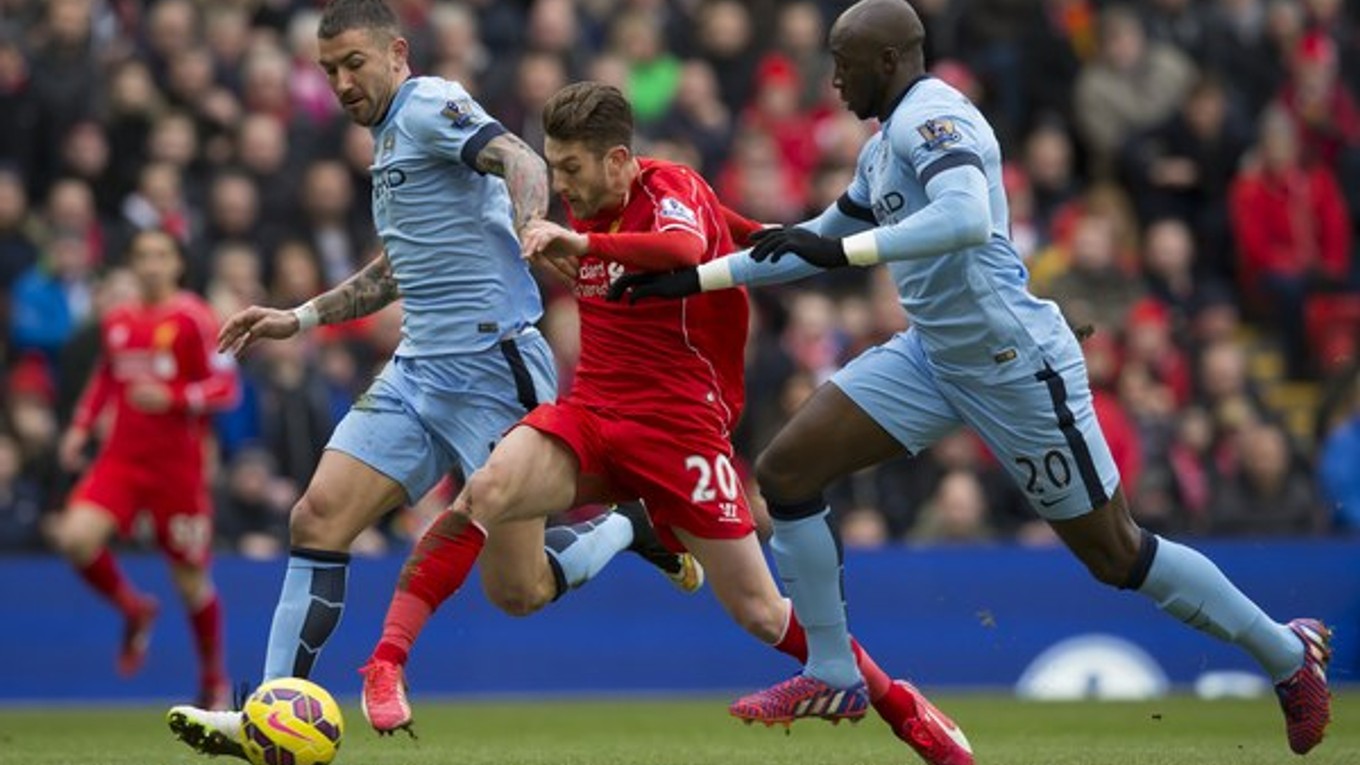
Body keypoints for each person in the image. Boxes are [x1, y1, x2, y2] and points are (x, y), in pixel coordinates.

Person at [610, 0, 1333, 756]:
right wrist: (692, 280)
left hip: (1013, 363)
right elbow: (813, 240)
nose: (832, 79)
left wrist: (848, 255)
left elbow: (963, 220)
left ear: (888, 61)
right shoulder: (884, 144)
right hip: (935, 356)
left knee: (1116, 552)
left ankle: (1288, 654)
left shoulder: (933, 117)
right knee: (787, 471)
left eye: (843, 61)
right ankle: (833, 669)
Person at [357, 81, 974, 765]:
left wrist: (585, 242)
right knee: (488, 498)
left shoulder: (668, 187)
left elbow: (682, 250)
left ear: (619, 159)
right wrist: (756, 237)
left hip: (680, 430)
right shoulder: (589, 203)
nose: (563, 184)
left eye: (573, 169)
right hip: (590, 412)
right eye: (554, 167)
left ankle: (899, 703)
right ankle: (386, 662)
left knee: (763, 614)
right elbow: (731, 229)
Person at [166, 1, 694, 758]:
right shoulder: (389, 142)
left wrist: (532, 221)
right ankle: (261, 717)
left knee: (519, 591)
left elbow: (518, 156)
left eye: (354, 64)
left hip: (495, 371)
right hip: (418, 371)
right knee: (316, 518)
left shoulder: (429, 103)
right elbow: (398, 268)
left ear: (396, 53)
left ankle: (623, 524)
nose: (343, 82)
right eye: (328, 72)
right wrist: (302, 317)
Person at [50, 228, 239, 709]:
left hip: (177, 469)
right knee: (74, 538)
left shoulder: (194, 318)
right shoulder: (119, 320)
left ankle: (214, 681)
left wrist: (174, 397)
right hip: (121, 460)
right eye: (142, 256)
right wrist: (80, 426)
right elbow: (108, 378)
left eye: (161, 255)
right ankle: (134, 609)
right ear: (132, 265)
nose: (151, 264)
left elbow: (225, 391)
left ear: (177, 264)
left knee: (191, 580)